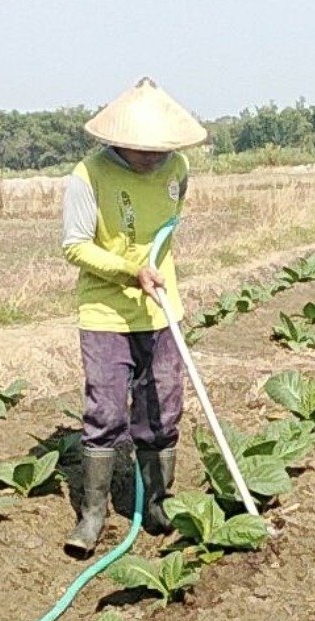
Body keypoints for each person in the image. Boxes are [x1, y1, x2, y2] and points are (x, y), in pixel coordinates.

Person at [60, 77, 207, 555]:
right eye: (142, 149)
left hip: (162, 308)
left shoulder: (179, 167)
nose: (152, 156)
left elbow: (168, 227)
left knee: (163, 405)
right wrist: (129, 271)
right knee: (104, 410)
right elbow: (75, 246)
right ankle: (94, 513)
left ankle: (159, 501)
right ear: (117, 140)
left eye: (159, 148)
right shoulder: (89, 175)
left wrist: (152, 273)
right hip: (106, 311)